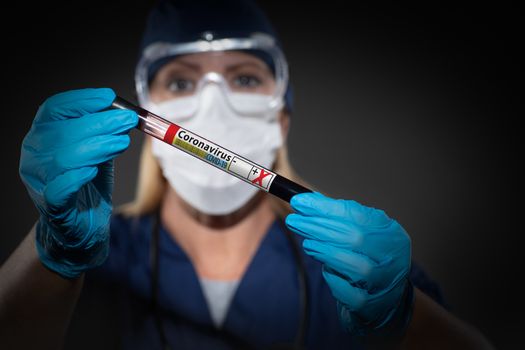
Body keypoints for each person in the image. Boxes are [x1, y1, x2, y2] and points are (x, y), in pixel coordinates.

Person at [0, 0, 494, 349]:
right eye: (180, 80)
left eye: (243, 77)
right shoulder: (100, 254)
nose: (213, 101)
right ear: (148, 120)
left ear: (280, 116)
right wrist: (53, 255)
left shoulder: (354, 267)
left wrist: (405, 320)